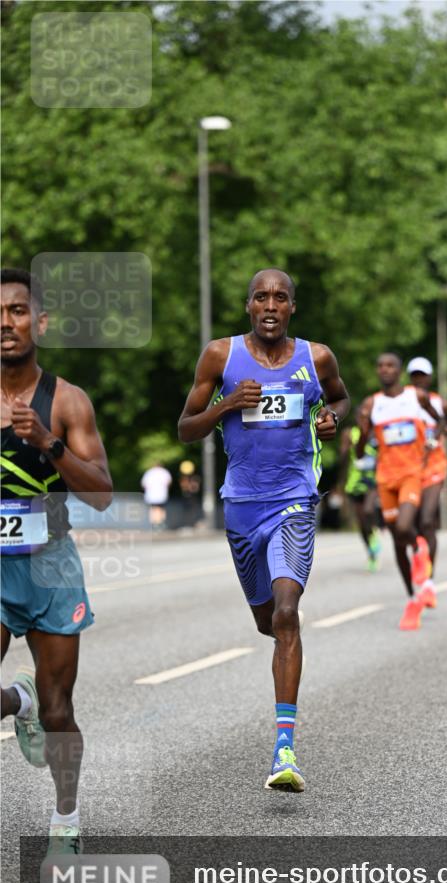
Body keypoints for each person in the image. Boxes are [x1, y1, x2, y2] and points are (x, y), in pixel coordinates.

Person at [178, 268, 349, 793]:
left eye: (280, 297)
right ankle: (279, 633)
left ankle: (284, 749)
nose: (270, 305)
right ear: (249, 306)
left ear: (292, 306)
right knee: (266, 623)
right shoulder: (220, 356)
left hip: (295, 500)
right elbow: (185, 429)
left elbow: (341, 398)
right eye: (260, 297)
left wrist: (333, 420)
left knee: (287, 613)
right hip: (241, 507)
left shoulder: (316, 357)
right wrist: (227, 405)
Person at [1, 268, 113, 854]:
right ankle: (13, 702)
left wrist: (48, 442)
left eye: (18, 311)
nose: (5, 323)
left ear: (38, 322)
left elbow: (100, 492)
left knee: (57, 710)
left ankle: (65, 819)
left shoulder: (67, 400)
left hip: (50, 564)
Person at [356, 353, 442, 630]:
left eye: (390, 365)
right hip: (385, 479)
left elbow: (439, 421)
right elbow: (360, 453)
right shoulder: (372, 404)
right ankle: (413, 597)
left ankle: (419, 549)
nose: (385, 370)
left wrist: (430, 440)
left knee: (406, 526)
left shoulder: (416, 397)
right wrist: (362, 427)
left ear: (400, 370)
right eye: (380, 366)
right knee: (396, 539)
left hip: (411, 474)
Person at [406, 356, 447, 607]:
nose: (418, 379)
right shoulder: (401, 401)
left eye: (422, 375)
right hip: (408, 468)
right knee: (409, 524)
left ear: (429, 377)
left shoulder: (440, 403)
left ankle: (429, 581)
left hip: (435, 467)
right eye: (414, 375)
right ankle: (420, 553)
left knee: (427, 519)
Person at [339, 416, 381, 571]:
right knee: (362, 524)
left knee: (369, 510)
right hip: (355, 482)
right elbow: (343, 458)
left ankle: (375, 531)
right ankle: (371, 554)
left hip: (373, 481)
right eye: (360, 418)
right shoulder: (351, 433)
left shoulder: (377, 434)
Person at [140, 463, 172, 529]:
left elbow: (143, 484)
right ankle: (160, 523)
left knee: (153, 508)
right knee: (160, 508)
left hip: (151, 494)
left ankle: (154, 523)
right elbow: (168, 482)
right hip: (161, 494)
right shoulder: (164, 472)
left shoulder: (149, 473)